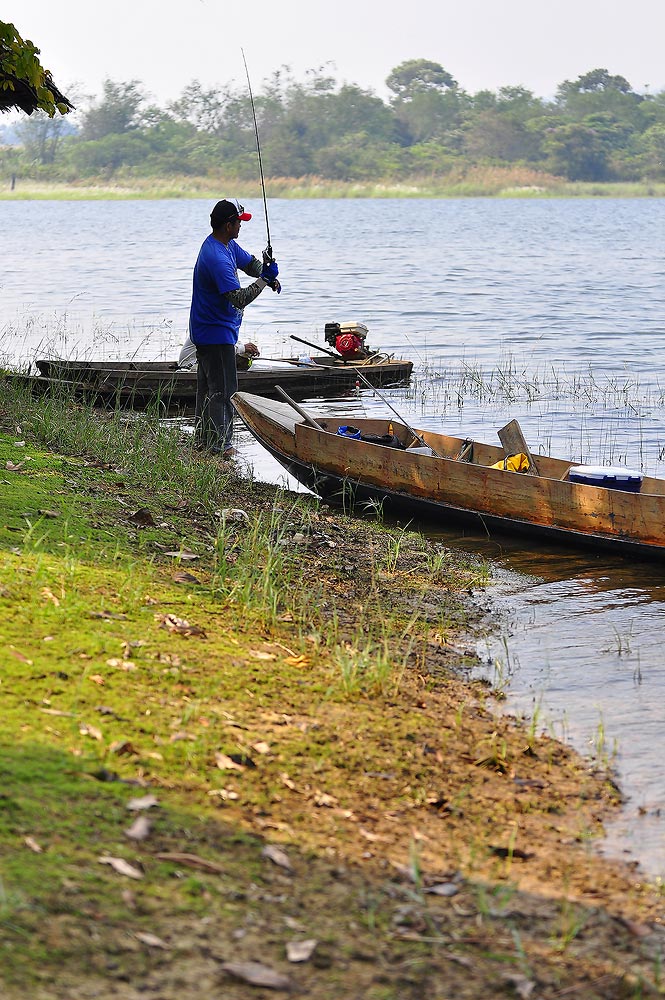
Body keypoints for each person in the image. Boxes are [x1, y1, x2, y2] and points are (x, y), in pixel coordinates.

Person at [189, 197, 281, 458]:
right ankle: (221, 447)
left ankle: (203, 443)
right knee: (225, 392)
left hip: (210, 330)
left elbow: (250, 263)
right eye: (239, 223)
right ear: (228, 225)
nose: (241, 226)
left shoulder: (226, 245)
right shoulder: (216, 257)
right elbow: (239, 298)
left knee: (207, 389)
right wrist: (265, 281)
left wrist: (266, 271)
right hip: (215, 333)